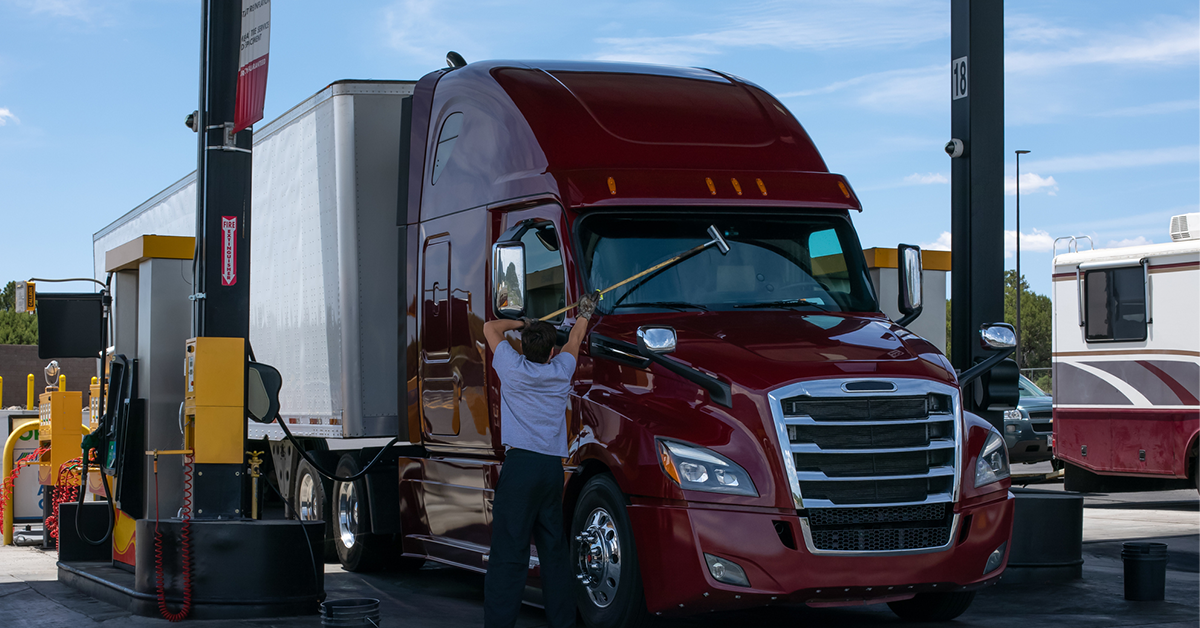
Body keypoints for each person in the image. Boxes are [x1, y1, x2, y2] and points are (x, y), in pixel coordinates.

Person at [482, 292, 599, 628]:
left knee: (509, 552)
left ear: (522, 346)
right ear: (552, 352)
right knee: (554, 552)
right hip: (550, 470)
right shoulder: (561, 370)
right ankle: (562, 623)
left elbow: (491, 328)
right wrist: (585, 313)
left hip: (519, 469)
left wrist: (522, 322)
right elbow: (575, 338)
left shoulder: (510, 367)